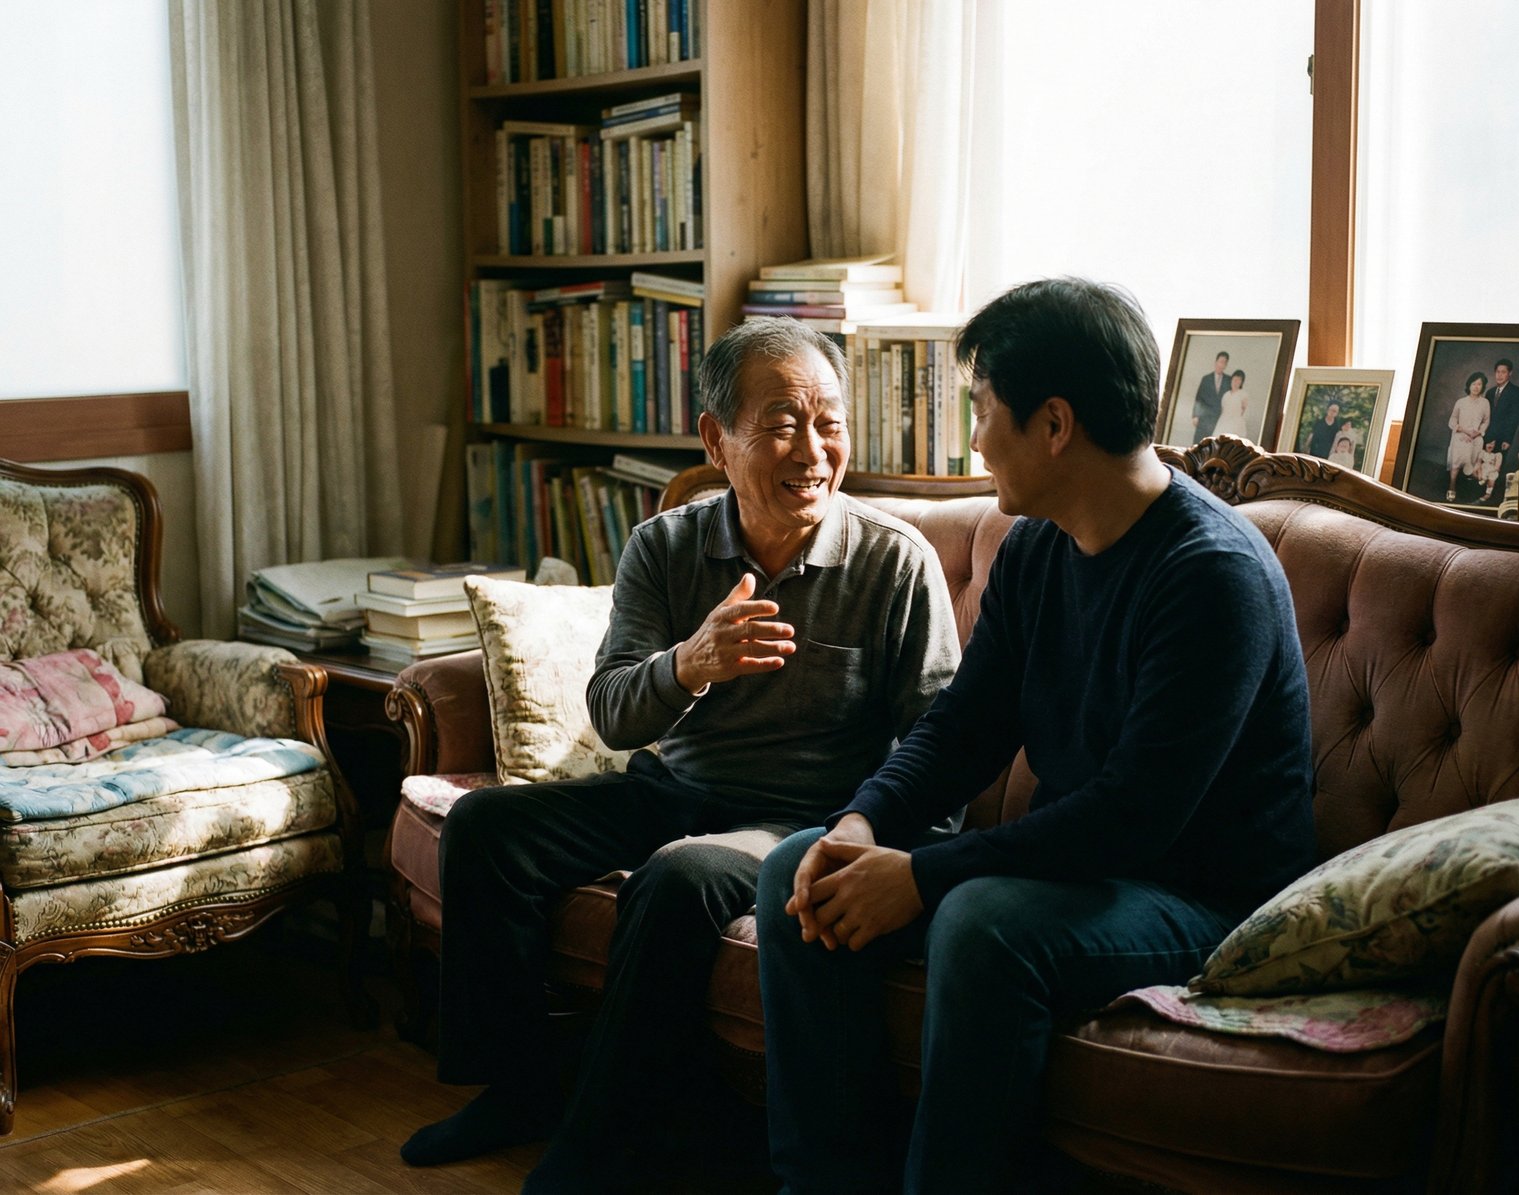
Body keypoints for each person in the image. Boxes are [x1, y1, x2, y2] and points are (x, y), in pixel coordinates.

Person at [757, 277, 1316, 1193]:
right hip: (1084, 872)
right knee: (798, 869)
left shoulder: (1211, 576)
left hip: (1202, 897)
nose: (974, 438)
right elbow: (965, 727)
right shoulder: (1039, 546)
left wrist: (924, 875)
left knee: (986, 922)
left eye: (984, 411)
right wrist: (865, 822)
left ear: (1054, 424)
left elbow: (1136, 817)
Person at [401, 317, 961, 1192]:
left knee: (680, 874)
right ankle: (519, 1088)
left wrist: (875, 836)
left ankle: (597, 1148)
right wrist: (688, 663)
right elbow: (614, 711)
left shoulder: (896, 563)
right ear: (718, 439)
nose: (812, 450)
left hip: (799, 816)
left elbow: (940, 741)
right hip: (675, 785)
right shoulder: (665, 546)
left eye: (830, 422)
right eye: (782, 423)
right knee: (485, 827)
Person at [1481, 358, 1519, 504]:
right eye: (1498, 372)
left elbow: (1514, 417)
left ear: (1509, 373)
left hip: (1503, 436)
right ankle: (1482, 492)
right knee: (1485, 463)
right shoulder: (1490, 392)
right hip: (1488, 434)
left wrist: (1507, 439)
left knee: (1497, 466)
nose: (1499, 375)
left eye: (1503, 372)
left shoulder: (1516, 392)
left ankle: (1491, 496)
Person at [1446, 371, 1492, 503]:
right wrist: (1464, 430)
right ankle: (1452, 486)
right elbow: (1452, 421)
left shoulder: (1485, 403)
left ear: (1482, 387)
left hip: (1476, 436)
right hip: (1461, 434)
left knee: (1478, 444)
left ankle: (1471, 478)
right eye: (1474, 384)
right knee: (1457, 459)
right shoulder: (1460, 402)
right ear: (1469, 385)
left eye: (1479, 384)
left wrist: (1478, 433)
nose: (1476, 387)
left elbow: (1486, 421)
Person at [1190, 350, 1230, 442]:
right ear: (1216, 362)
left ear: (1226, 365)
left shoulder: (1228, 380)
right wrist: (1195, 415)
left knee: (1214, 444)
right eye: (1220, 362)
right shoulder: (1206, 379)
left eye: (1224, 363)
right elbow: (1199, 398)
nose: (1221, 365)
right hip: (1204, 417)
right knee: (1199, 442)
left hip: (1218, 418)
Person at [1212, 368, 1250, 438]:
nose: (1236, 382)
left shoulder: (1243, 394)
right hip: (1224, 422)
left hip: (1236, 424)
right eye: (1235, 379)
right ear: (1231, 380)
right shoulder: (1226, 395)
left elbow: (1244, 411)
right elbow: (1223, 410)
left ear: (1241, 382)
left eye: (1239, 380)